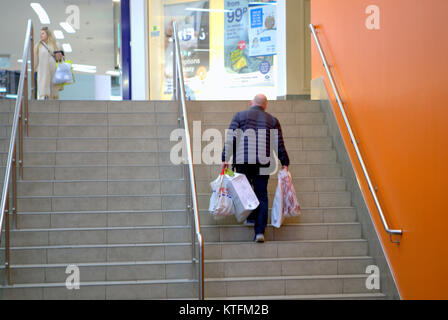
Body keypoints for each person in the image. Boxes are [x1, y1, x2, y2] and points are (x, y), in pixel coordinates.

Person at [222, 94, 290, 243]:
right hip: (263, 162)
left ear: (251, 102)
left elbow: (231, 138)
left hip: (242, 160)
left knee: (244, 190)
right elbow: (279, 144)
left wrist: (224, 158)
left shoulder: (240, 116)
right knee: (261, 194)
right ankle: (259, 232)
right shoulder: (272, 120)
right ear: (265, 105)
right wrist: (284, 161)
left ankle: (250, 217)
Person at [34, 27, 64, 100]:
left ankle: (54, 99)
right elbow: (35, 59)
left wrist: (60, 58)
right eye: (40, 34)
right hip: (42, 70)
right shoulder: (38, 46)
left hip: (54, 69)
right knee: (43, 84)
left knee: (53, 87)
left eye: (43, 33)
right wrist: (34, 69)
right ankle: (44, 98)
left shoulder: (56, 44)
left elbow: (62, 58)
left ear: (48, 34)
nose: (41, 35)